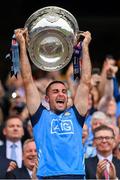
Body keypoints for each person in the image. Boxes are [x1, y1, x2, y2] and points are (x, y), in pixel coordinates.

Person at [14, 28, 92, 179]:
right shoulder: (40, 116)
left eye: (63, 91)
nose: (61, 94)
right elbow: (28, 80)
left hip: (75, 175)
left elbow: (86, 81)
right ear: (47, 99)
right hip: (48, 176)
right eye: (55, 91)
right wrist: (22, 45)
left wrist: (85, 47)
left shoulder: (76, 115)